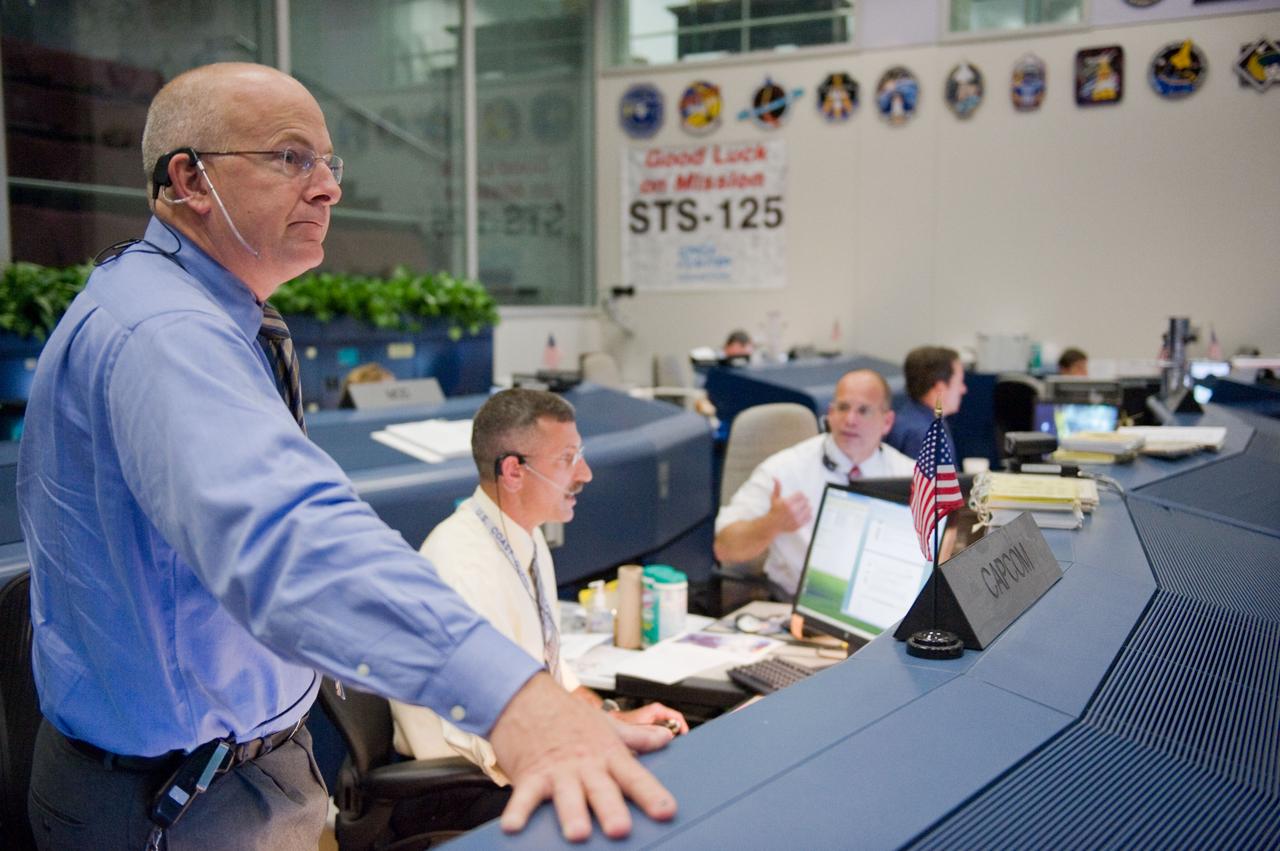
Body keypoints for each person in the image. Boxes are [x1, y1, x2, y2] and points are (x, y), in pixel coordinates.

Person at [18, 63, 674, 850]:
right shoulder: (165, 333)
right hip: (176, 800)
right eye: (291, 158)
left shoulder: (211, 317)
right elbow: (288, 535)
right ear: (189, 178)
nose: (327, 187)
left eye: (329, 163)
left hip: (242, 770)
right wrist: (518, 701)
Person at [391, 390, 687, 804]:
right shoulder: (461, 566)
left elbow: (547, 678)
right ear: (513, 471)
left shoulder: (524, 541)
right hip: (471, 787)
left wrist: (612, 719)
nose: (584, 473)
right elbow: (490, 726)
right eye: (567, 459)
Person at [714, 369, 915, 599]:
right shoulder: (785, 469)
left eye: (863, 410)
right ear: (830, 414)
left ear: (887, 421)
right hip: (799, 608)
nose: (850, 420)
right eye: (843, 408)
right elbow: (724, 548)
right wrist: (772, 523)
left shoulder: (911, 477)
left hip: (883, 608)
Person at [886, 346, 967, 459]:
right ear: (940, 387)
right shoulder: (925, 435)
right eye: (960, 382)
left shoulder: (907, 417)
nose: (963, 389)